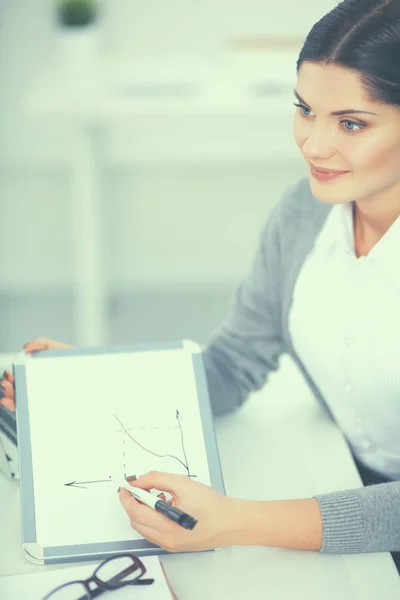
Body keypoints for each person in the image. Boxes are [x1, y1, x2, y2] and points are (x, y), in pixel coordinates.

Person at [2, 0, 400, 572]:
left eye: (351, 123)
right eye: (305, 110)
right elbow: (235, 363)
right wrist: (89, 386)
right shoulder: (304, 215)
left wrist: (234, 519)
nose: (313, 145)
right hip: (337, 474)